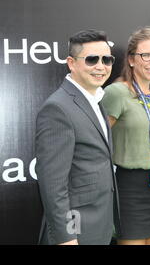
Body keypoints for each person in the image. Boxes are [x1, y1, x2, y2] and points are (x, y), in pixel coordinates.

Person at [35, 29, 120, 245]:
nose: (101, 66)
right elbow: (53, 185)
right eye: (92, 59)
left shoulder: (96, 100)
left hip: (98, 227)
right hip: (77, 232)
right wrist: (67, 238)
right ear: (71, 63)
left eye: (106, 59)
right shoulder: (58, 108)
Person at [102, 26, 150, 245]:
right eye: (146, 55)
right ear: (131, 60)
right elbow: (98, 138)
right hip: (131, 189)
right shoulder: (117, 92)